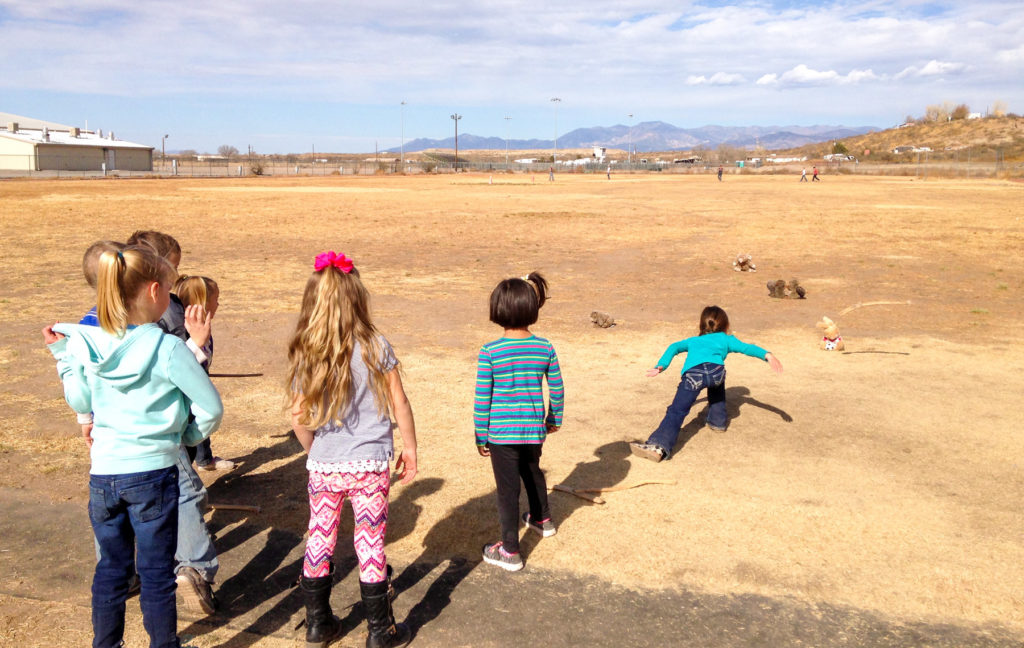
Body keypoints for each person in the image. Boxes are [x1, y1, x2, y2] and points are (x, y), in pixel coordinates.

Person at [43, 246, 223, 648]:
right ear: (157, 291)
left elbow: (79, 401)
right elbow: (209, 407)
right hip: (154, 474)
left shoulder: (85, 343)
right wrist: (189, 438)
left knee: (111, 569)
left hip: (103, 476)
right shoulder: (168, 348)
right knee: (157, 572)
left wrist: (63, 356)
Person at [287, 251, 417, 648]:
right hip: (370, 465)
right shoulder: (376, 345)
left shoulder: (307, 351)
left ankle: (317, 624)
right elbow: (400, 402)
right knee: (370, 542)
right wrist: (409, 447)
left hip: (324, 466)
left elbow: (298, 416)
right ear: (357, 298)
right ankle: (380, 630)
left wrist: (314, 452)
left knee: (320, 539)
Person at [125, 230, 221, 614]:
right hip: (161, 427)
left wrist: (89, 418)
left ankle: (121, 571)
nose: (173, 285)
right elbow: (184, 376)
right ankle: (194, 571)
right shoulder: (165, 314)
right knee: (185, 493)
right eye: (171, 275)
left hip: (115, 435)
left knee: (121, 498)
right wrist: (199, 343)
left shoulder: (100, 315)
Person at [474, 272, 564, 572]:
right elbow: (558, 387)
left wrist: (480, 434)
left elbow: (482, 397)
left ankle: (510, 550)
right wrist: (554, 418)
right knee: (532, 472)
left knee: (507, 491)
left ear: (498, 310)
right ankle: (543, 519)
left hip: (501, 435)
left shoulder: (491, 352)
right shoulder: (544, 347)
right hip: (533, 430)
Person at [630, 306, 782, 462]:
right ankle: (718, 422)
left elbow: (674, 347)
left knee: (677, 410)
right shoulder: (727, 339)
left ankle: (658, 446)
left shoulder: (693, 340)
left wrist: (661, 365)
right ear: (725, 325)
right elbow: (747, 348)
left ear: (702, 325)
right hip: (717, 372)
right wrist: (767, 355)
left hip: (694, 375)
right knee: (717, 385)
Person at [174, 275, 235, 472]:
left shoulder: (200, 328)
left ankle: (203, 458)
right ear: (202, 303)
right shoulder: (181, 331)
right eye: (216, 299)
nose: (218, 303)